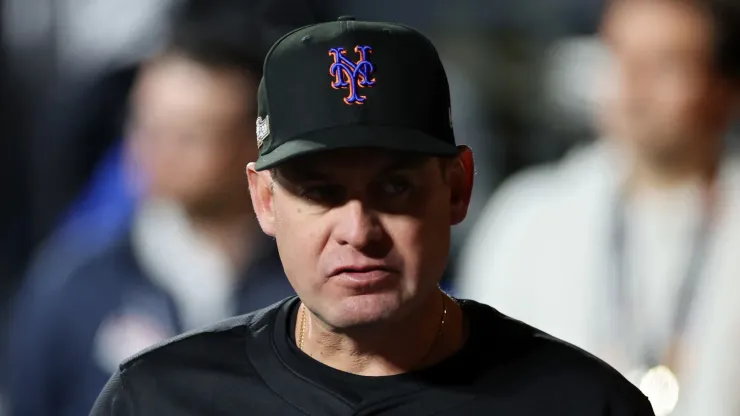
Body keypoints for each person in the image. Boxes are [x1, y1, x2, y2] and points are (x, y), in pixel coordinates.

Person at [90, 17, 654, 416]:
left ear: (457, 187)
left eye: (394, 188)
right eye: (321, 192)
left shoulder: (579, 403)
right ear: (265, 201)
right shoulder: (160, 400)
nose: (358, 231)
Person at [5, 2, 299, 415]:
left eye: (189, 136)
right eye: (145, 126)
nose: (156, 152)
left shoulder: (303, 282)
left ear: (253, 143)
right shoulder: (76, 283)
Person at [457, 1, 740, 415]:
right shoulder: (531, 219)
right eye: (619, 55)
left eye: (666, 64)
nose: (632, 87)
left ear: (724, 89)